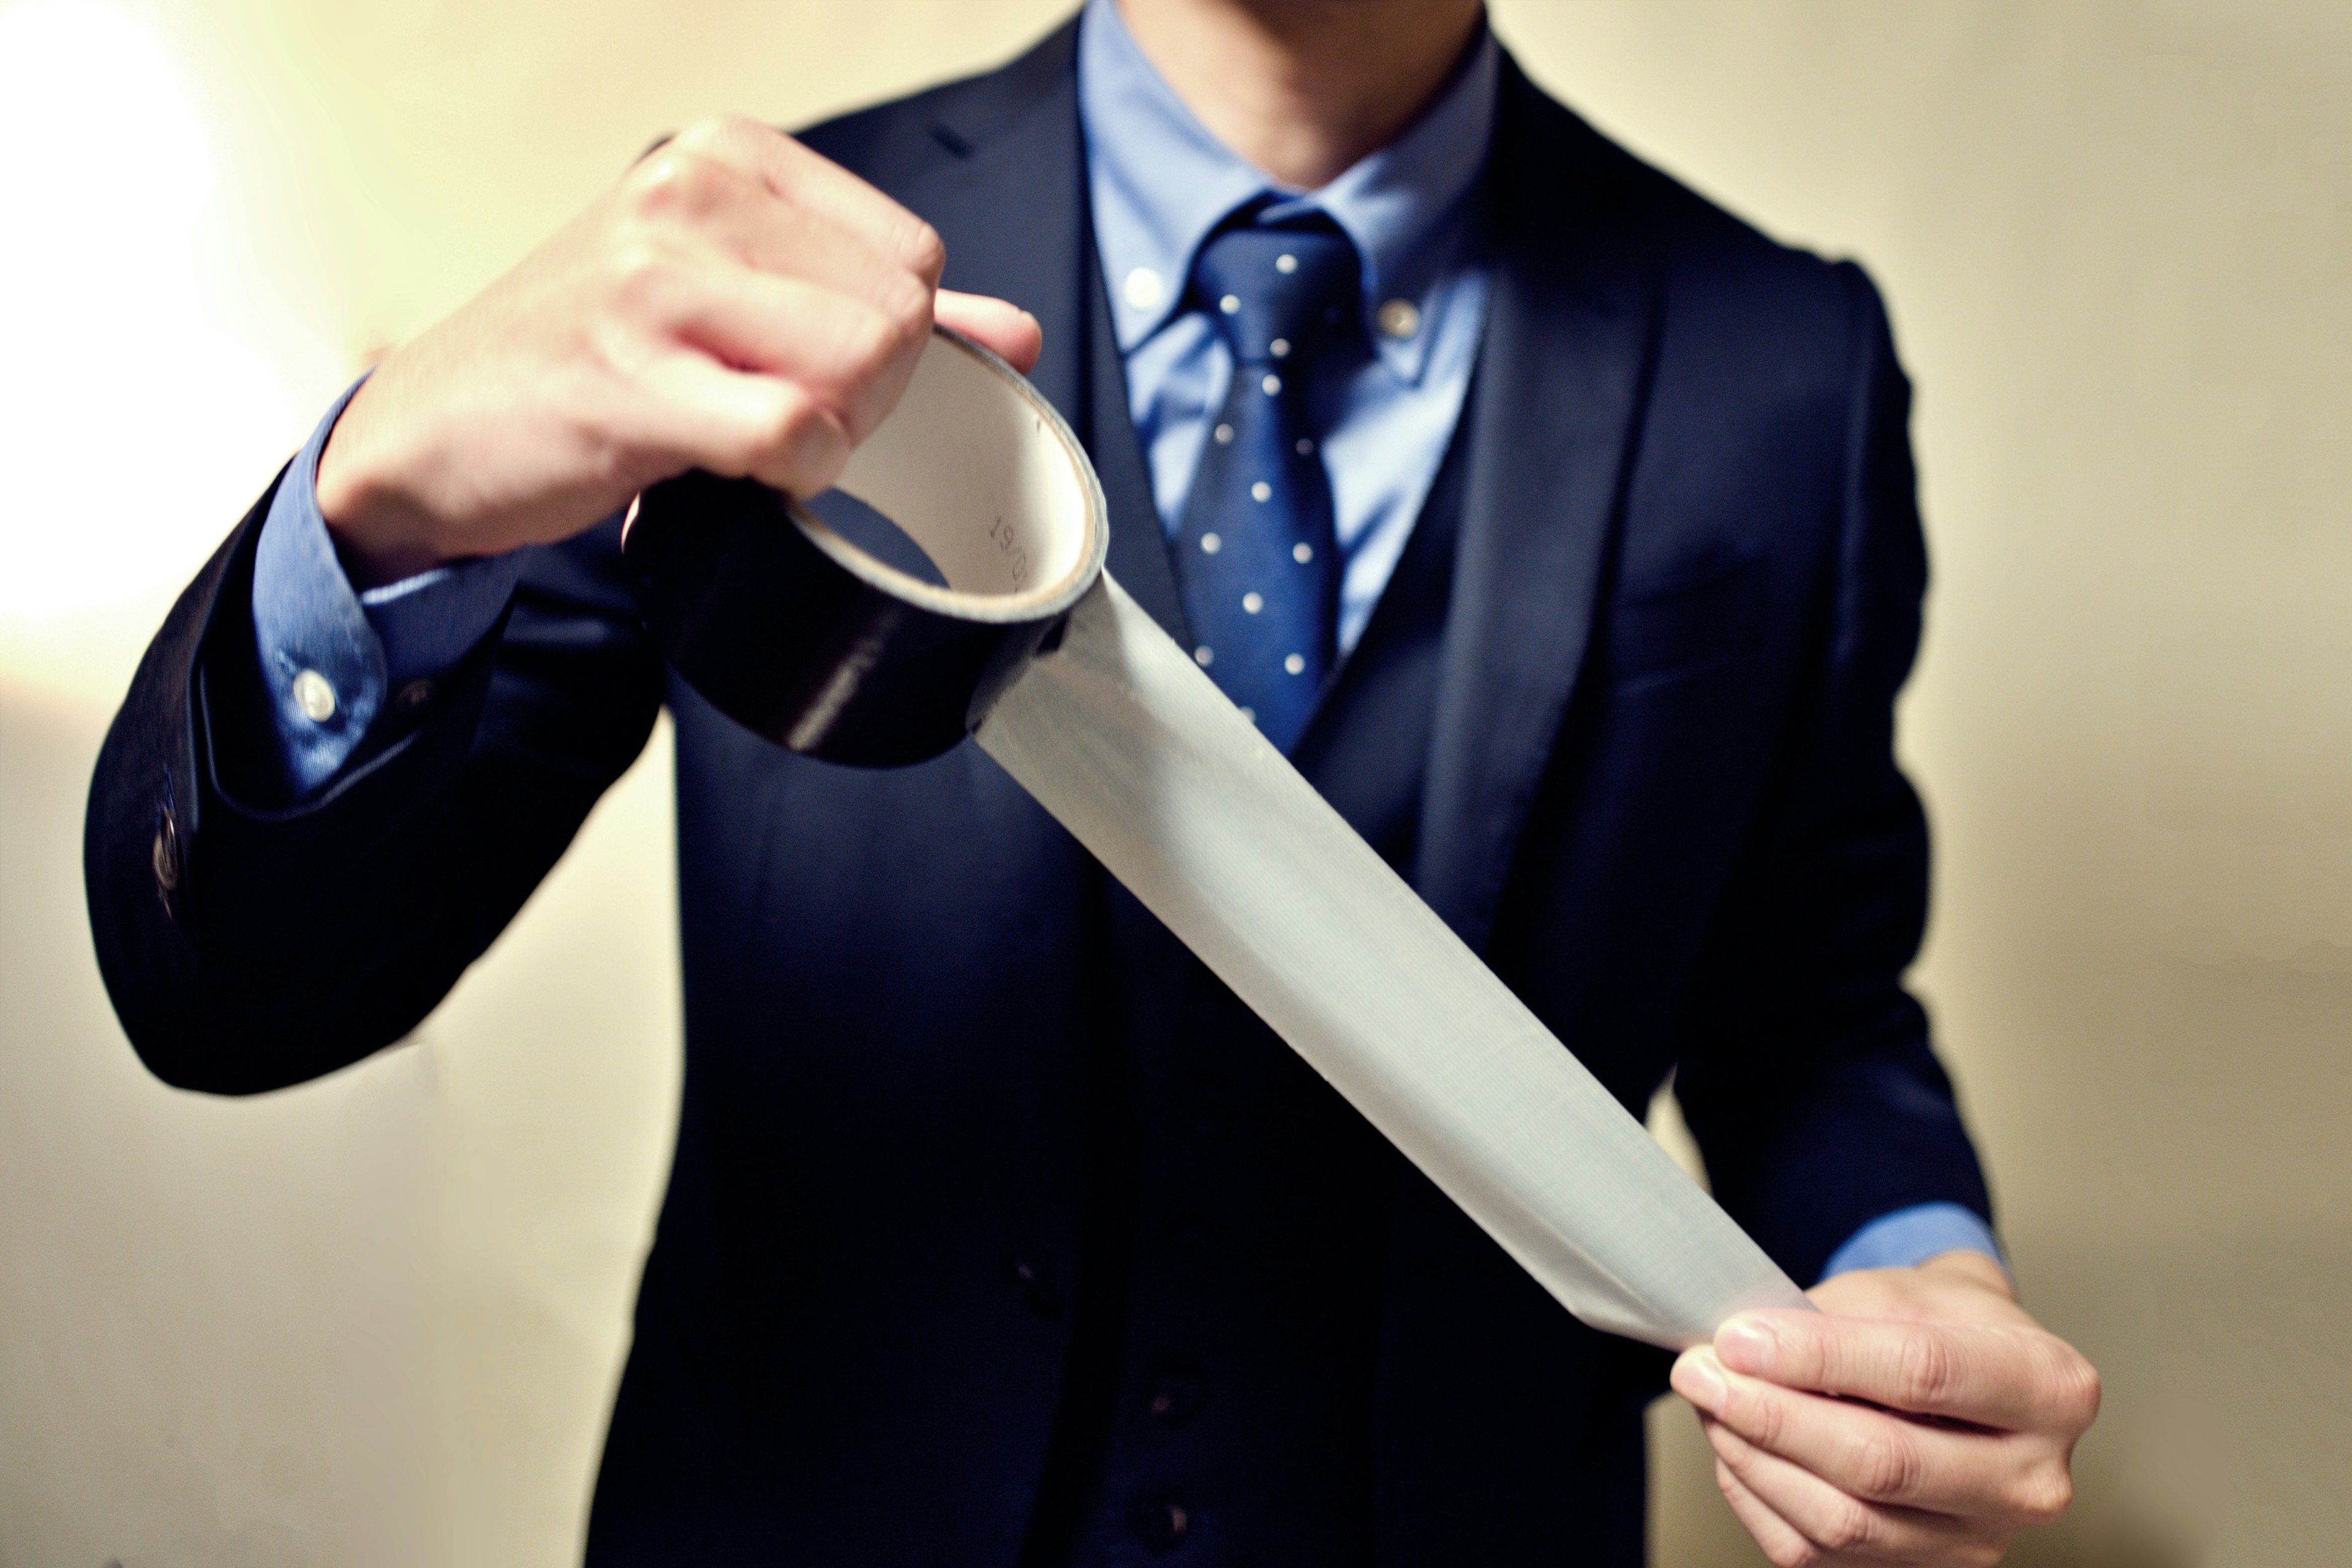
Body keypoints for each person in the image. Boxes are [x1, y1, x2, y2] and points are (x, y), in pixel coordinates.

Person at [84, 0, 2100, 1562]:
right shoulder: (726, 266)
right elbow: (243, 993)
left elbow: (1812, 1004)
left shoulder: (1785, 361)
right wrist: (381, 495)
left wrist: (1917, 1271)